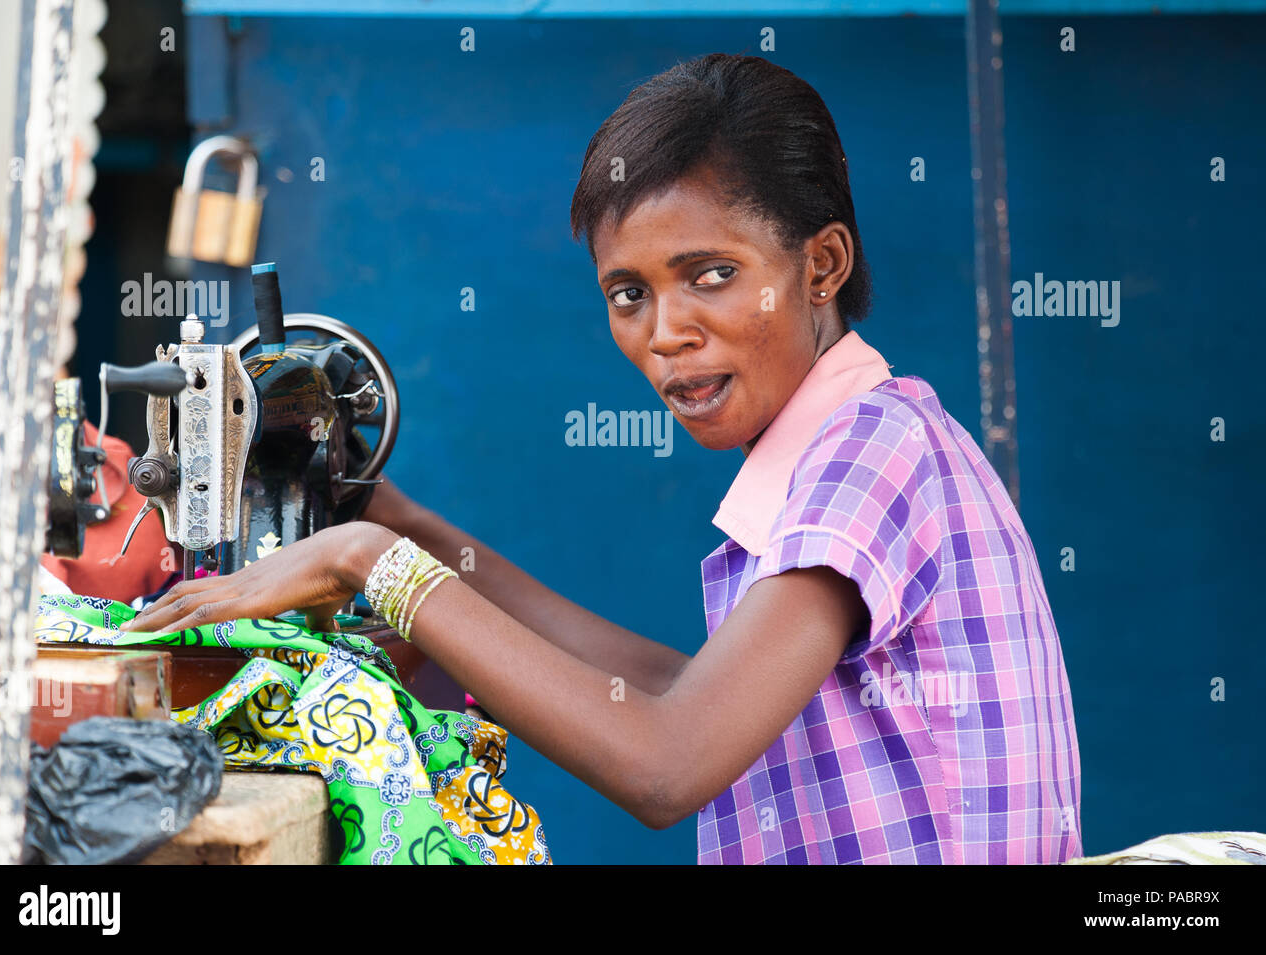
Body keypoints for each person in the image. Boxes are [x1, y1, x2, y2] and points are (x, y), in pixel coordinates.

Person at [125, 53, 1081, 865]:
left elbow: (667, 761)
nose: (667, 334)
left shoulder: (873, 458)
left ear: (821, 265)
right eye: (629, 294)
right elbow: (673, 693)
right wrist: (399, 522)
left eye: (712, 276)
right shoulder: (868, 440)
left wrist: (372, 562)